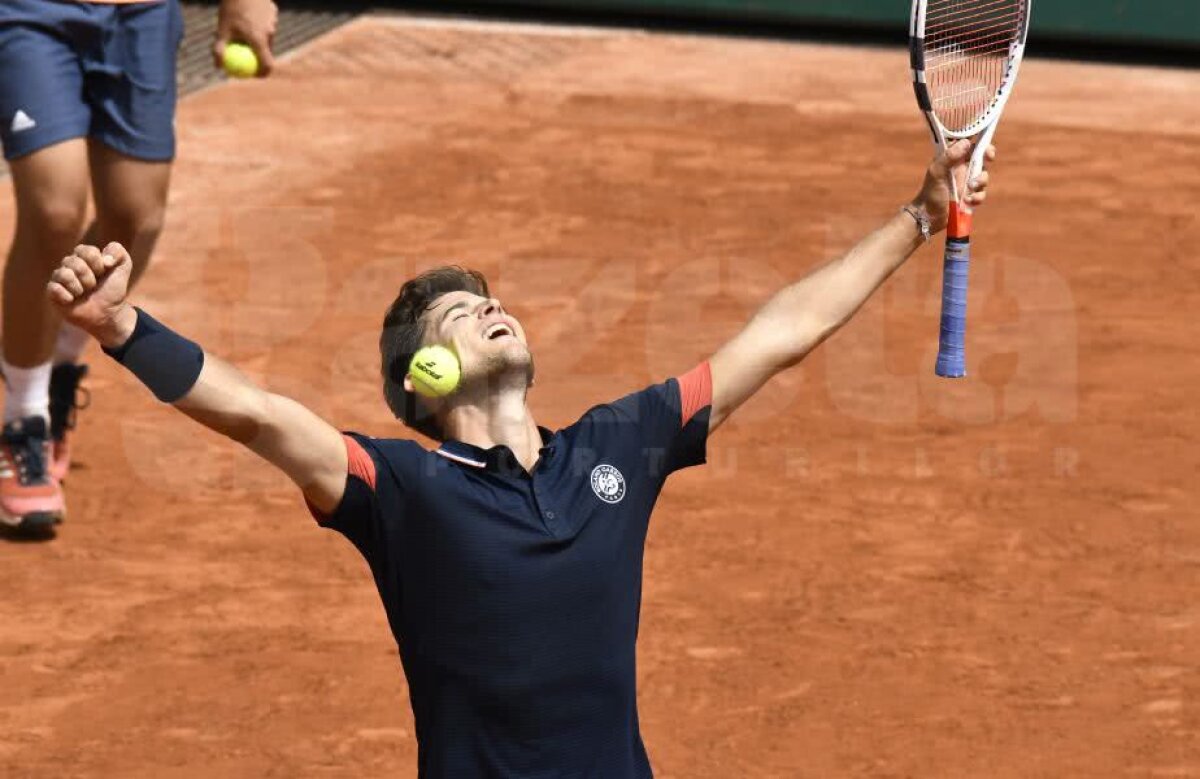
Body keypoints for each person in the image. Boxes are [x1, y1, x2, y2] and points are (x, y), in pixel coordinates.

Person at [45, 141, 994, 776]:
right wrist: (123, 327)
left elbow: (779, 334)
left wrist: (917, 214)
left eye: (493, 301)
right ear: (426, 374)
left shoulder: (617, 446)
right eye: (461, 314)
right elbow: (255, 414)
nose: (494, 308)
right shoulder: (399, 489)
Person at [0, 0, 278, 536]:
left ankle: (55, 367)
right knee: (56, 210)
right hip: (26, 9)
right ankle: (23, 420)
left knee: (134, 218)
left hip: (140, 13)